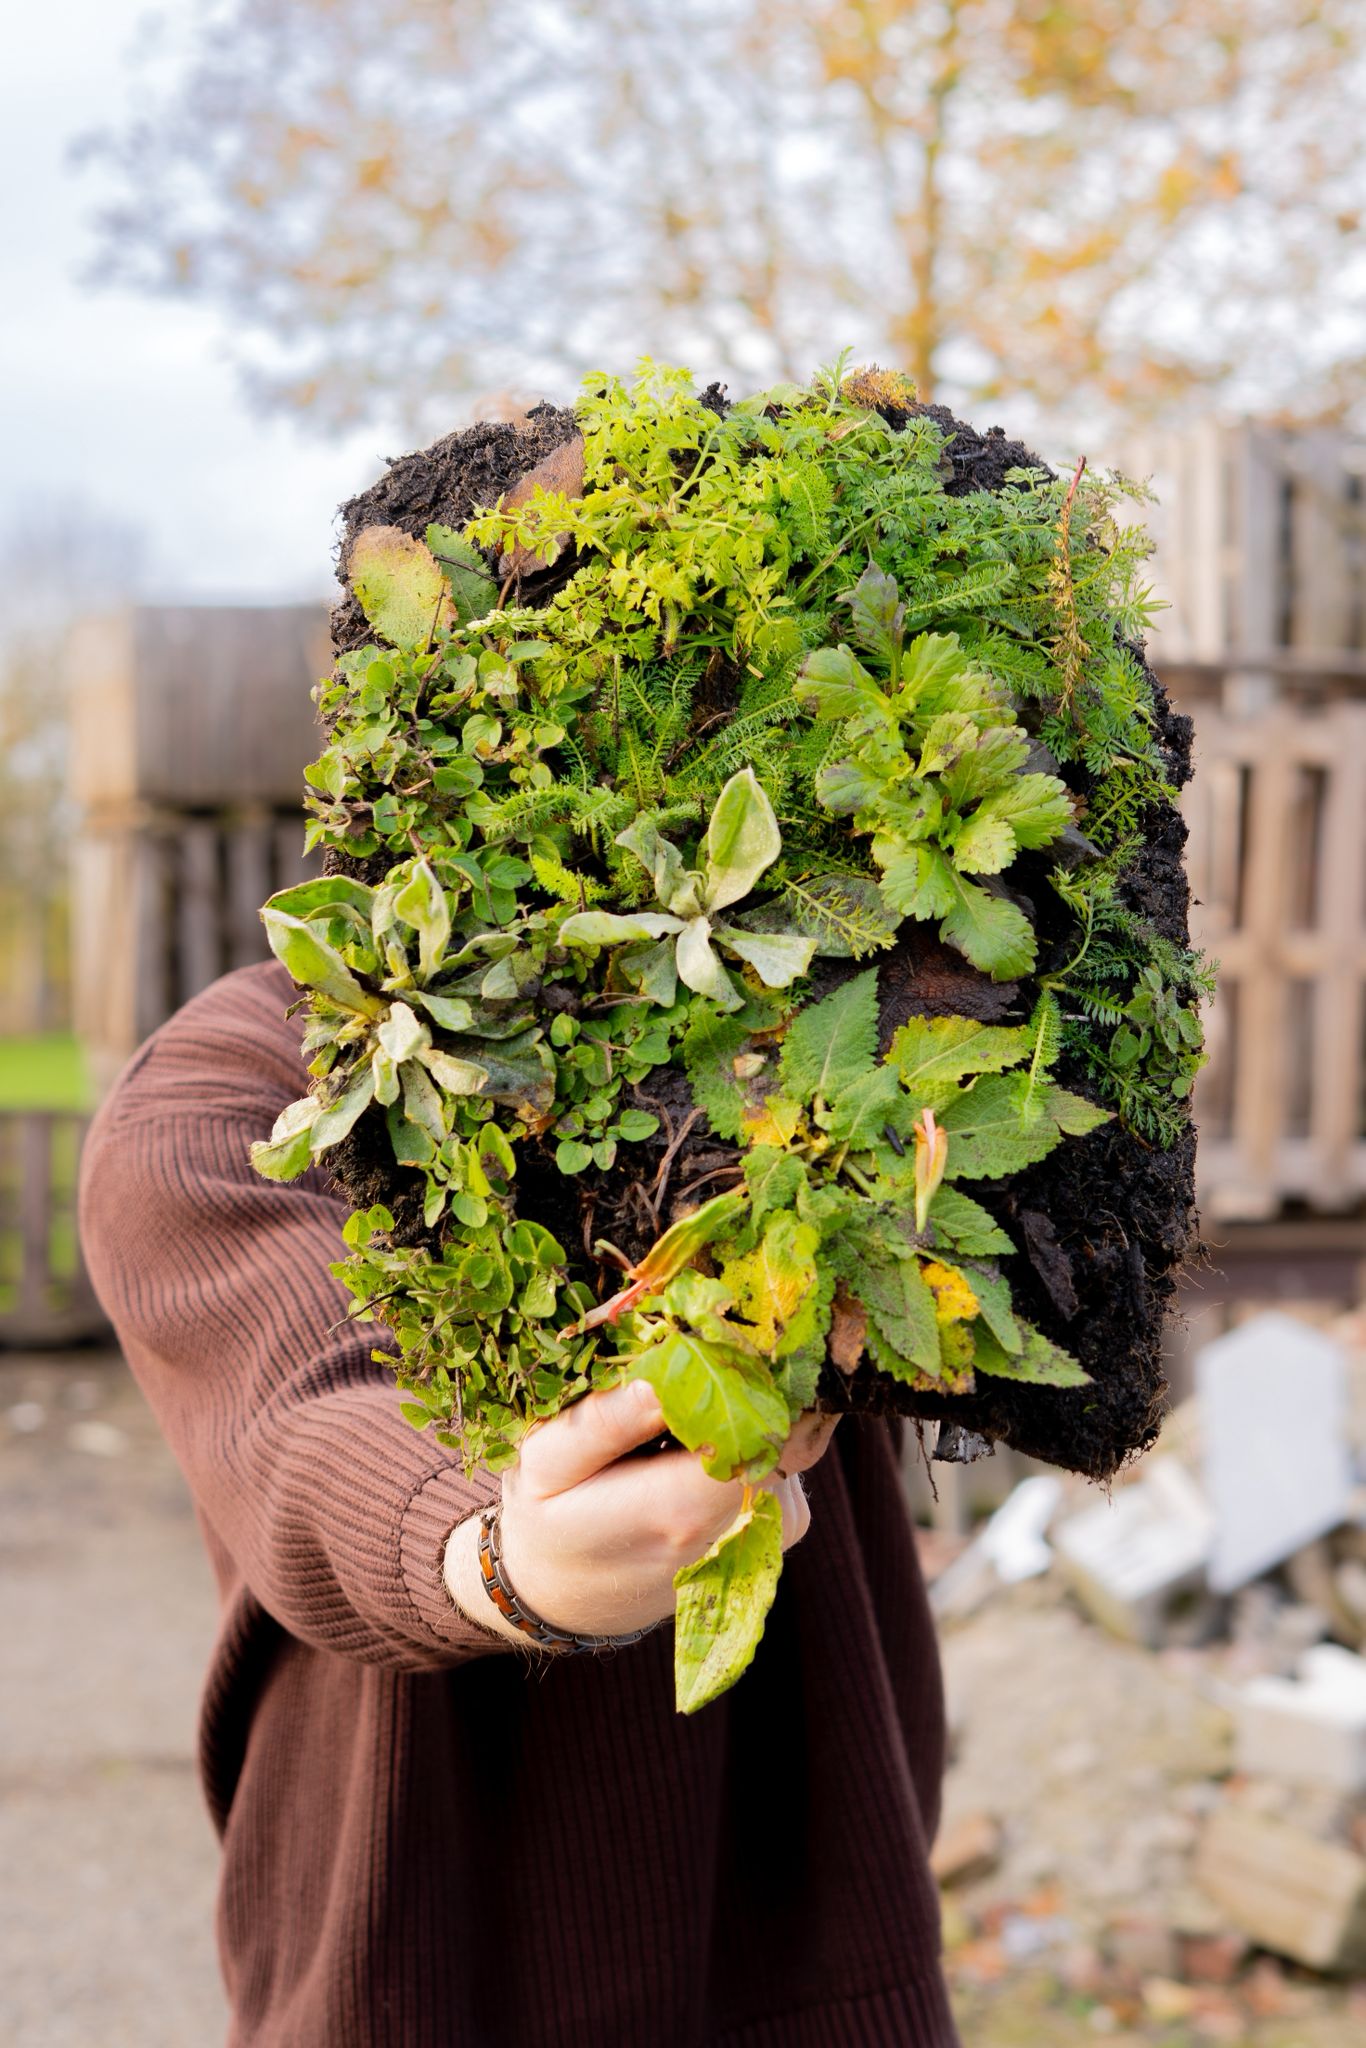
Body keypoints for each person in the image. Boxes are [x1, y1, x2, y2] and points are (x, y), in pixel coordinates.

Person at [80, 956, 960, 2047]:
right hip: (415, 1972)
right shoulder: (235, 1085)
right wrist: (501, 1558)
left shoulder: (805, 1006)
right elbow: (312, 1417)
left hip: (822, 1952)